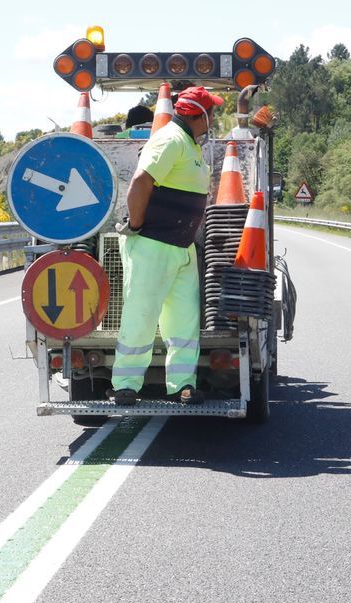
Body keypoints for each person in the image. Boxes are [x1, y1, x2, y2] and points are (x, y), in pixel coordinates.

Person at [109, 85, 223, 406]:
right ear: (200, 115)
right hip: (153, 245)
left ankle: (182, 385)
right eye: (212, 111)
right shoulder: (170, 139)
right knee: (141, 315)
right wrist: (136, 225)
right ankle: (126, 385)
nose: (214, 116)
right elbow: (141, 181)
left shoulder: (189, 143)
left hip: (181, 247)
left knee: (184, 321)